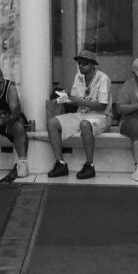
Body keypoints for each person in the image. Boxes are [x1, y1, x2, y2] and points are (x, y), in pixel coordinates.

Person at [47, 48, 112, 180]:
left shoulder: (103, 78)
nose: (81, 65)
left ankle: (89, 165)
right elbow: (74, 100)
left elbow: (102, 106)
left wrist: (75, 99)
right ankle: (60, 164)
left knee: (85, 124)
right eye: (79, 63)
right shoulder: (78, 77)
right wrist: (62, 97)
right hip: (81, 114)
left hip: (101, 117)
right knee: (52, 123)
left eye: (84, 63)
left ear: (93, 64)